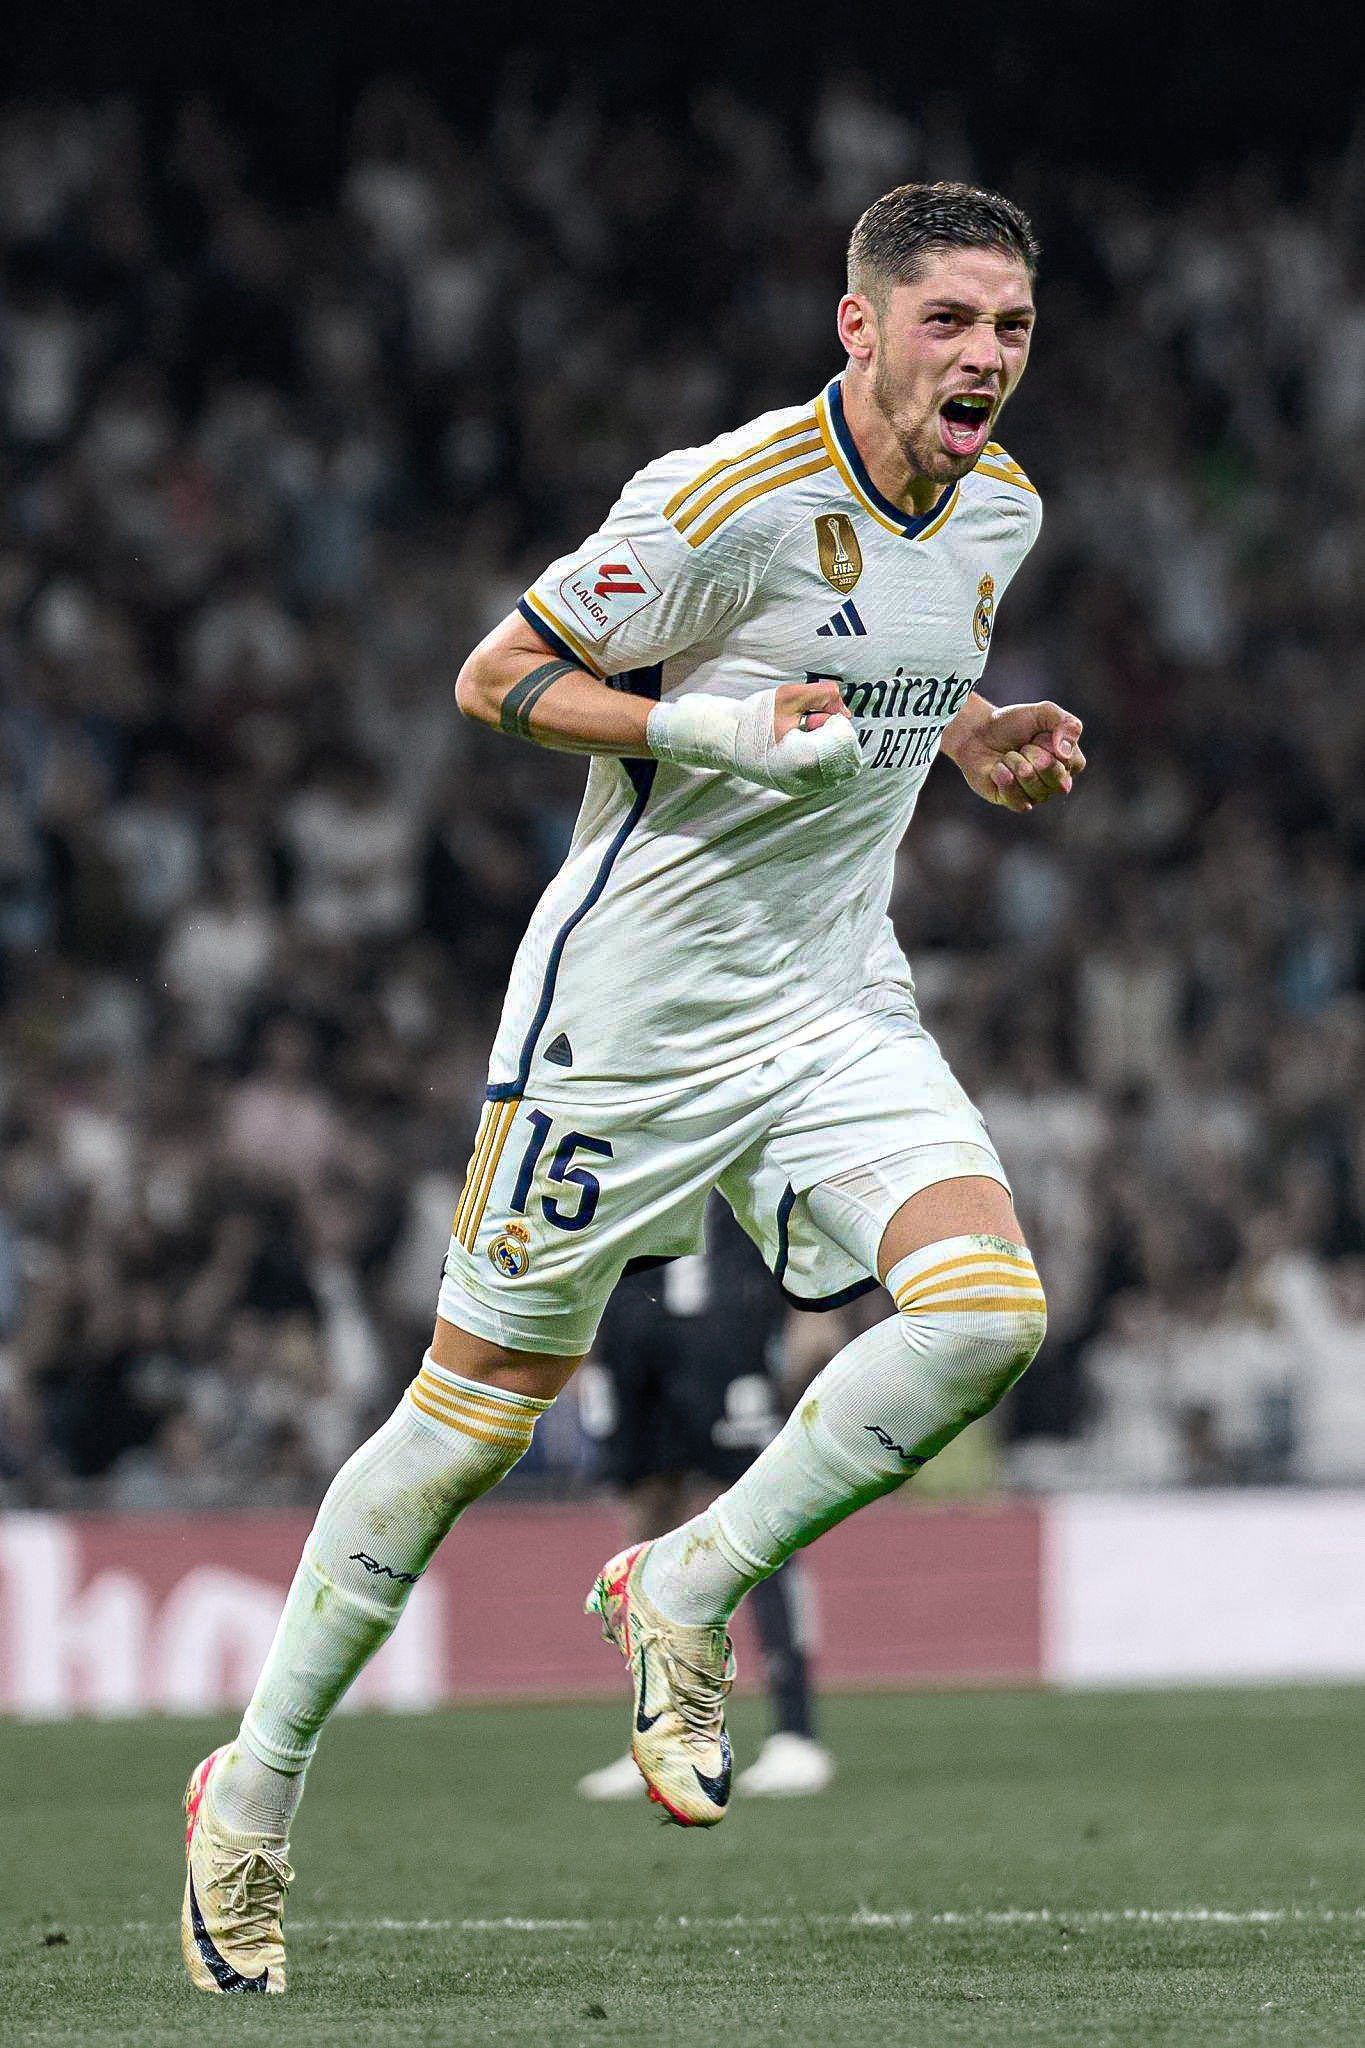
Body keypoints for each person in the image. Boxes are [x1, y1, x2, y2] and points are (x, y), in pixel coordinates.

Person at [182, 180, 1084, 1994]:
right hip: (627, 1031)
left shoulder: (1002, 511)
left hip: (835, 1006)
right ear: (861, 325)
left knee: (989, 1313)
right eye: (949, 321)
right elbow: (495, 674)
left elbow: (903, 679)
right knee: (467, 1428)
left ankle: (685, 1579)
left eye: (1010, 325)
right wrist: (703, 722)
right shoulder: (720, 501)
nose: (984, 356)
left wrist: (974, 742)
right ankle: (250, 1796)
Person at [576, 1199, 833, 1802]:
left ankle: (796, 1731)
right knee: (644, 1519)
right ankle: (666, 1732)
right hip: (627, 1314)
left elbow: (783, 1169)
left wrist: (814, 1304)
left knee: (758, 1516)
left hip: (722, 1314)